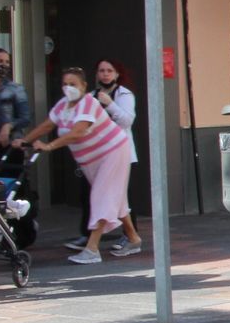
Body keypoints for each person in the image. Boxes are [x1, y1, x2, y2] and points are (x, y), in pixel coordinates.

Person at [13, 67, 141, 264]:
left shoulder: (88, 103)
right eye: (65, 84)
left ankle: (92, 248)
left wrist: (49, 146)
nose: (68, 88)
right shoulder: (62, 105)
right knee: (115, 198)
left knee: (101, 197)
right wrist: (25, 141)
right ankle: (133, 238)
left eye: (73, 84)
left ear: (84, 86)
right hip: (91, 159)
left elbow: (78, 132)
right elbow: (47, 125)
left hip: (113, 152)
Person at [66, 59, 139, 252]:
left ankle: (127, 236)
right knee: (90, 195)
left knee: (120, 196)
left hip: (118, 153)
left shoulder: (124, 94)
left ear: (117, 74)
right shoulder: (91, 96)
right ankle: (89, 235)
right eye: (101, 71)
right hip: (96, 154)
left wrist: (110, 104)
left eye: (109, 71)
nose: (105, 74)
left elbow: (127, 121)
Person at [0, 47, 32, 152]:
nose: (4, 65)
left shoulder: (15, 88)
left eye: (7, 62)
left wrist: (8, 125)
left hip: (7, 143)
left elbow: (26, 118)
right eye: (0, 61)